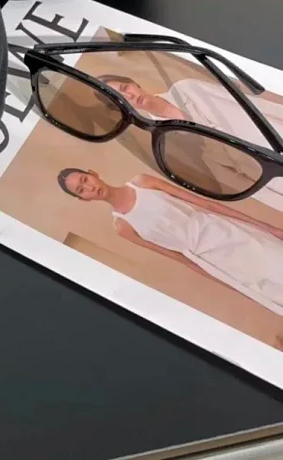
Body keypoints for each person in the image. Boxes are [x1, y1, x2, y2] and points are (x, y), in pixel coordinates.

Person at [58, 168, 283, 317]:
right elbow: (181, 259)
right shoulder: (122, 227)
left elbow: (206, 204)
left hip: (225, 231)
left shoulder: (142, 182)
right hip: (211, 260)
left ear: (92, 173)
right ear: (82, 199)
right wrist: (234, 287)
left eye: (85, 179)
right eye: (81, 190)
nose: (90, 187)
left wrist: (268, 227)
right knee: (272, 290)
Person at [100, 74, 283, 211]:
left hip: (276, 135)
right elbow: (234, 180)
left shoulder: (185, 89)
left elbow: (252, 105)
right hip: (271, 174)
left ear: (133, 83)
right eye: (123, 99)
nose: (130, 96)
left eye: (125, 87)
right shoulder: (167, 143)